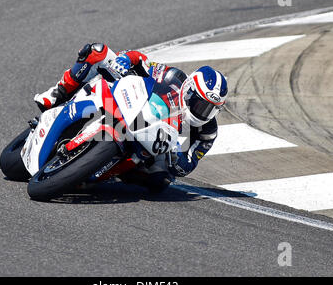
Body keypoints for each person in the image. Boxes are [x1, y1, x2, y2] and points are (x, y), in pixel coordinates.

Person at [34, 43, 228, 192]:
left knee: (161, 180)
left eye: (210, 109)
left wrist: (176, 158)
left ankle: (110, 173)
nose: (203, 111)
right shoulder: (173, 77)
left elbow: (189, 163)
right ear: (189, 90)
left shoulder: (207, 132)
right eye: (200, 103)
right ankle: (57, 94)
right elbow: (142, 60)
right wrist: (125, 60)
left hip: (156, 140)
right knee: (97, 50)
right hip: (133, 102)